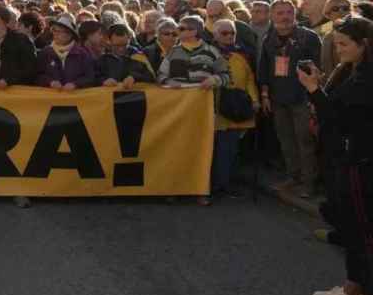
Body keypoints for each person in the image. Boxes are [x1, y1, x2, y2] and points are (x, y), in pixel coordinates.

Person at [300, 16, 373, 295]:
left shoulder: (367, 77)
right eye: (336, 43)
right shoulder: (352, 70)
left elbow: (338, 118)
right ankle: (352, 290)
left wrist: (314, 90)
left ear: (364, 45)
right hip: (349, 159)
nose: (338, 49)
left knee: (365, 235)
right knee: (353, 231)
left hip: (363, 162)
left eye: (344, 44)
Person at [158, 14, 230, 205]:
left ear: (194, 31)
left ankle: (201, 190)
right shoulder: (172, 52)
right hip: (178, 110)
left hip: (203, 110)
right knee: (176, 148)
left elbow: (226, 75)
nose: (176, 32)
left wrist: (214, 80)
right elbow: (161, 75)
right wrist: (168, 82)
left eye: (181, 29)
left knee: (203, 150)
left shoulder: (211, 52)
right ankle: (175, 188)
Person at [259, 0, 323, 198]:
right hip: (278, 98)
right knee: (286, 140)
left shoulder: (309, 37)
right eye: (280, 13)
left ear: (295, 14)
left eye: (288, 12)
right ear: (272, 16)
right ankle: (293, 177)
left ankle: (308, 183)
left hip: (303, 98)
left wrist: (315, 99)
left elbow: (319, 69)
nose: (285, 17)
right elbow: (264, 69)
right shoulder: (268, 39)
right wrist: (265, 95)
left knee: (305, 141)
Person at [212, 19, 260, 198]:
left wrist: (255, 100)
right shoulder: (208, 52)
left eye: (232, 33)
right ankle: (213, 184)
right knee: (216, 150)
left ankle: (225, 184)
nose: (229, 36)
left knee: (230, 149)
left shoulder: (242, 54)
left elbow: (249, 79)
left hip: (237, 107)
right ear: (215, 35)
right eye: (224, 33)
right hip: (214, 109)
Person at [36, 14, 96, 90]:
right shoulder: (45, 52)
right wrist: (50, 82)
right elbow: (38, 76)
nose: (55, 33)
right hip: (51, 98)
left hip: (76, 98)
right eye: (54, 30)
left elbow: (90, 77)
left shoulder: (82, 54)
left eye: (60, 31)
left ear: (70, 35)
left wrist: (75, 84)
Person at [98, 23, 155, 88]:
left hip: (133, 94)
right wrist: (103, 80)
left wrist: (134, 77)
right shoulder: (102, 57)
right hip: (108, 94)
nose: (121, 49)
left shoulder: (138, 55)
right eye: (117, 45)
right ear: (108, 41)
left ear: (129, 39)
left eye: (125, 45)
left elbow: (151, 77)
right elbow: (95, 77)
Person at [322, 0, 355, 75]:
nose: (341, 11)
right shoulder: (327, 37)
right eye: (335, 9)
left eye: (345, 8)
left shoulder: (360, 34)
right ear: (328, 14)